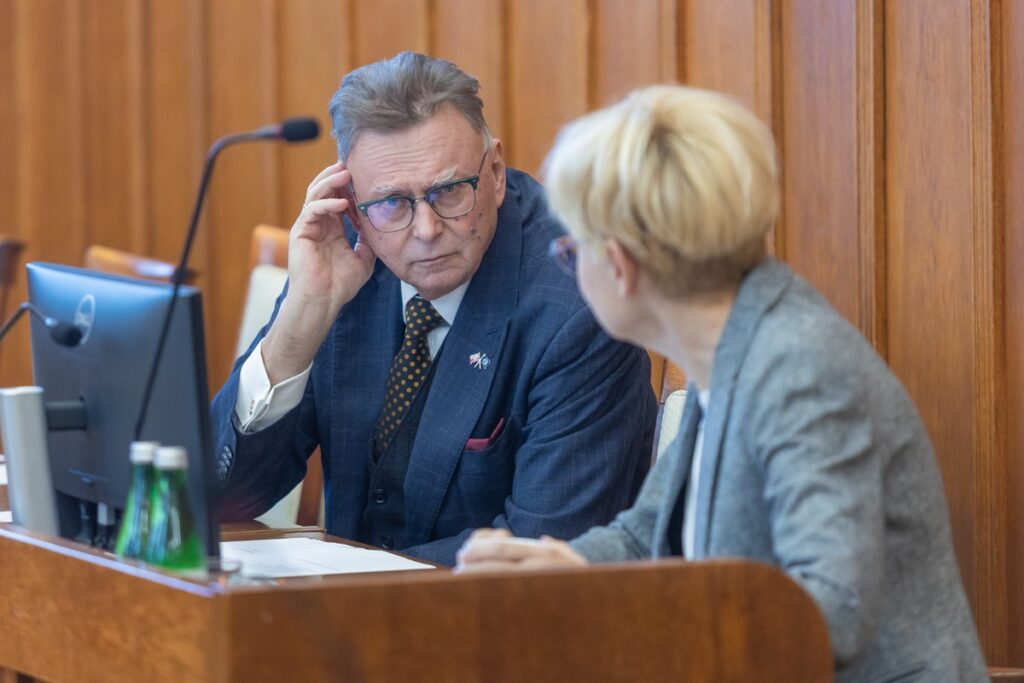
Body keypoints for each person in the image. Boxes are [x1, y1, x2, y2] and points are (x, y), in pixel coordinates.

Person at [456, 85, 988, 681]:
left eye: (570, 252)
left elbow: (830, 613)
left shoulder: (797, 368)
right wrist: (563, 566)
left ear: (621, 267)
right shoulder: (733, 344)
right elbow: (643, 536)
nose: (570, 272)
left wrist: (624, 608)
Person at [210, 52, 655, 566]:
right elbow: (224, 499)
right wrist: (300, 321)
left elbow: (545, 557)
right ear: (351, 200)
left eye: (447, 192)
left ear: (495, 171)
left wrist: (349, 588)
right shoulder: (346, 257)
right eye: (393, 202)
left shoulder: (579, 305)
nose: (424, 230)